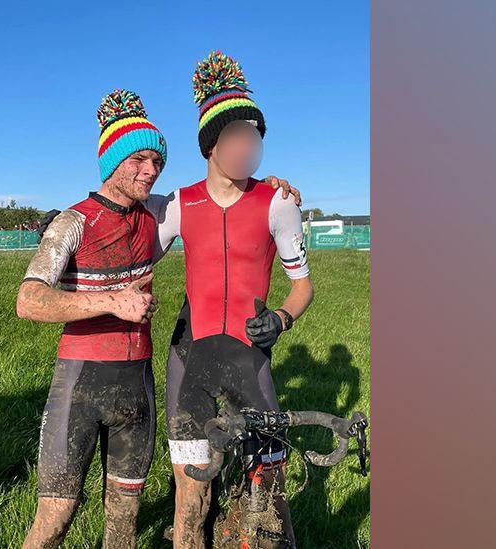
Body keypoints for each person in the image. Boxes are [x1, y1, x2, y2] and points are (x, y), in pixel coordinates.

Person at [152, 50, 313, 548]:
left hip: (249, 356)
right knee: (190, 492)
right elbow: (130, 240)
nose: (250, 147)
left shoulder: (278, 202)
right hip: (191, 355)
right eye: (238, 137)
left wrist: (283, 317)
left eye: (256, 136)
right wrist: (70, 220)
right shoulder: (180, 204)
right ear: (211, 145)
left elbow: (303, 284)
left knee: (270, 485)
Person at [16, 89, 167, 549]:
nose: (151, 171)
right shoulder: (72, 222)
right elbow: (29, 300)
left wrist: (271, 185)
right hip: (80, 385)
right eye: (138, 160)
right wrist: (110, 301)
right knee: (55, 518)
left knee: (123, 526)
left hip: (137, 387)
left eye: (157, 161)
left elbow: (218, 193)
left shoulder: (157, 214)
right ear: (112, 162)